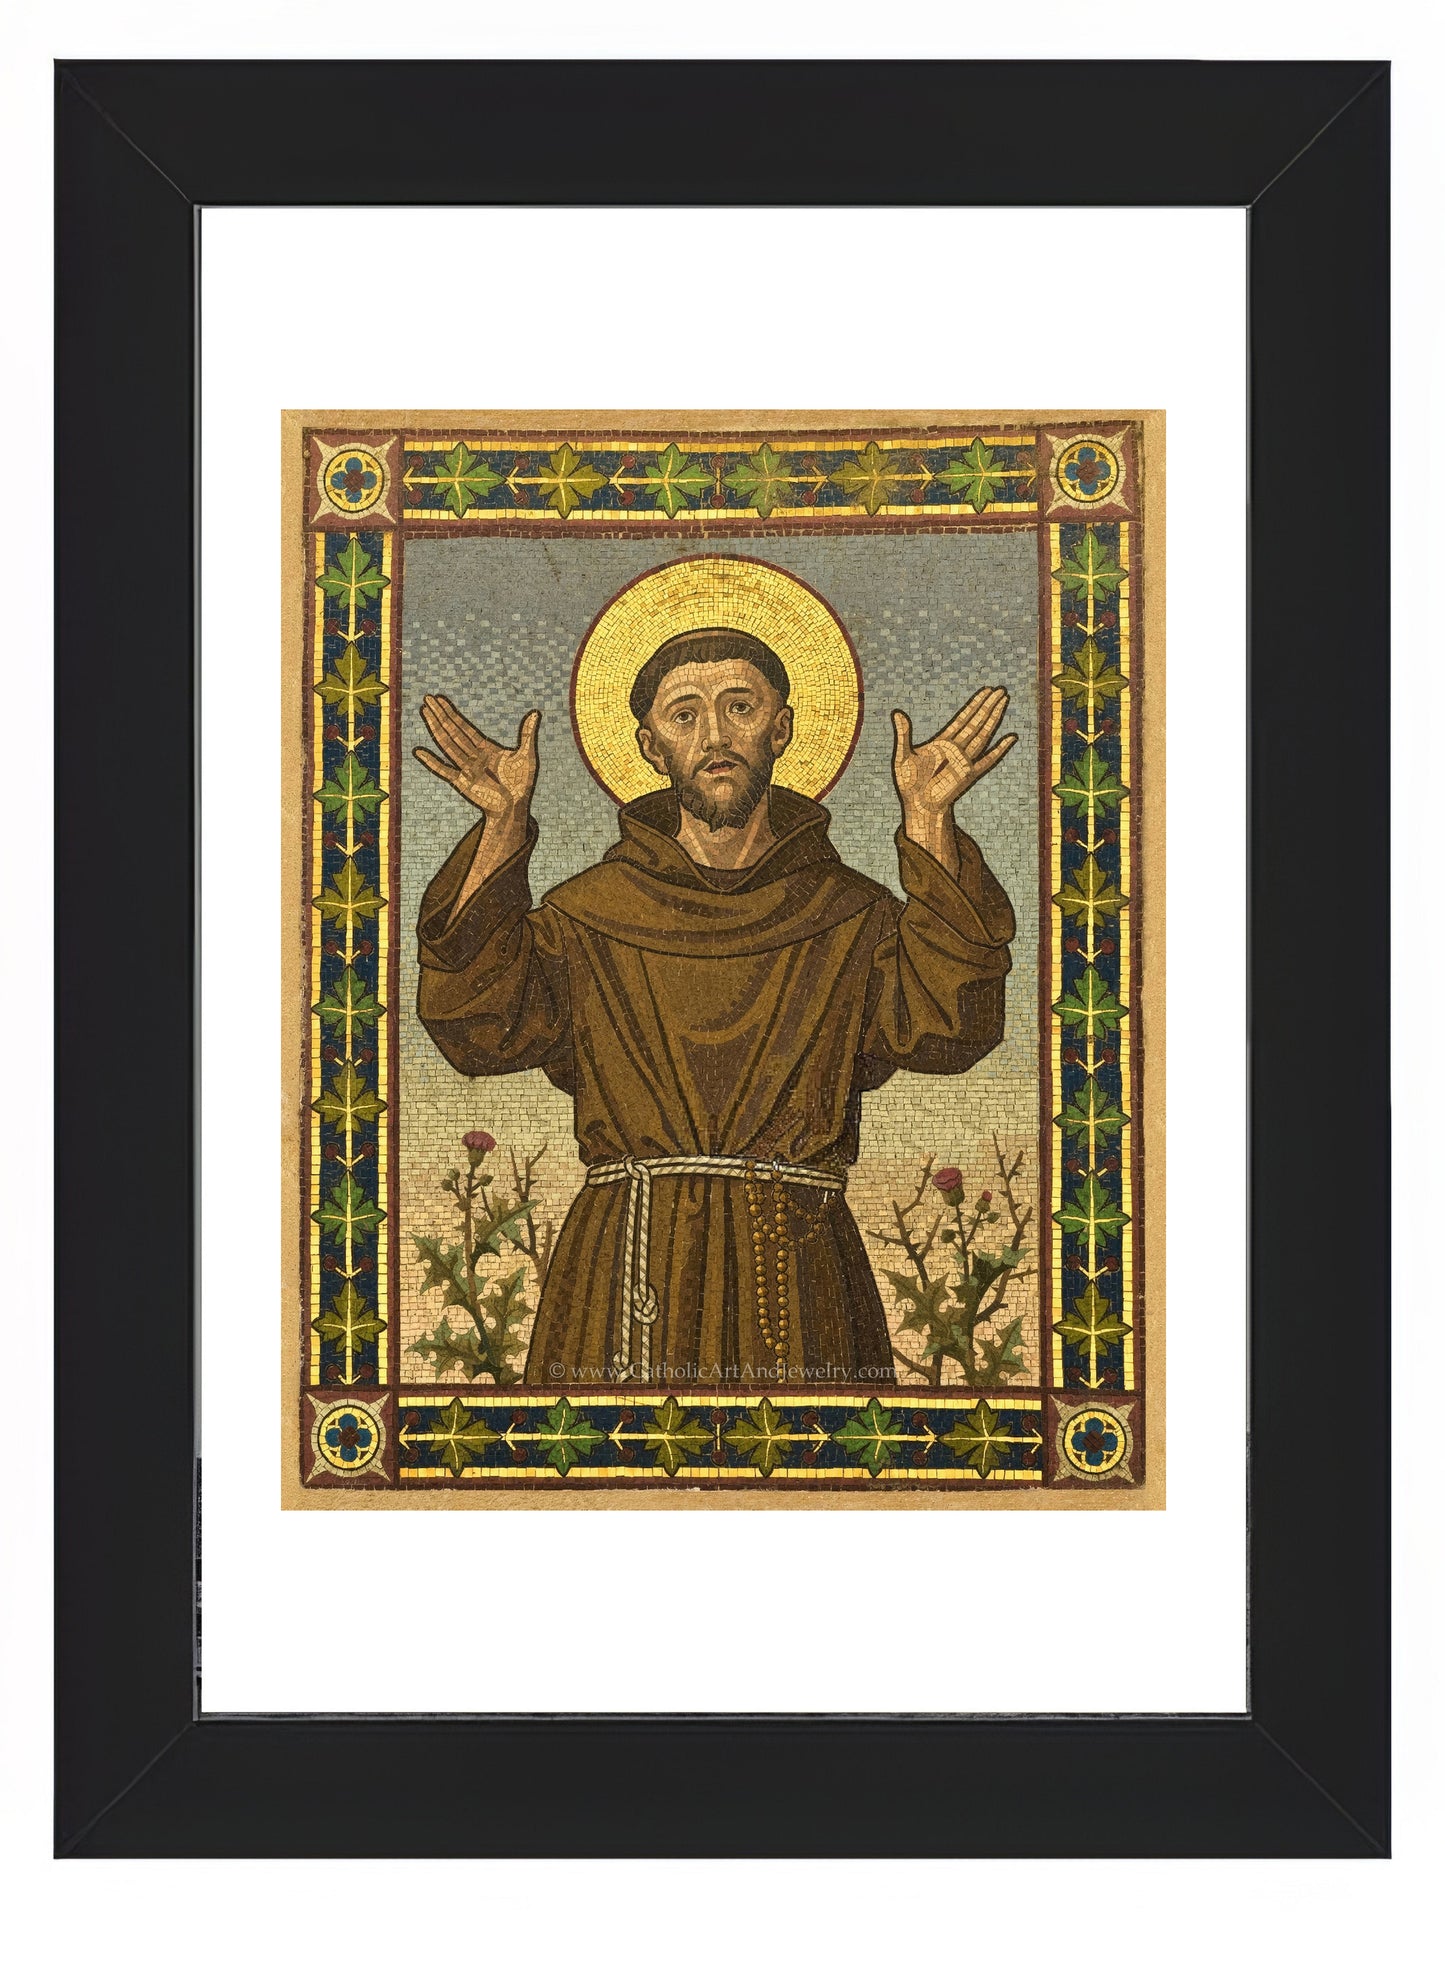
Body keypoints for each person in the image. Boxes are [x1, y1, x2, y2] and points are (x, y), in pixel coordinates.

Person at [413, 625, 1016, 1388]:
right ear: (649, 745)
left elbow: (951, 1026)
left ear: (781, 729)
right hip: (625, 1264)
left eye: (739, 706)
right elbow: (476, 1027)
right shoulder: (587, 917)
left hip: (795, 1269)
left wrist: (928, 821)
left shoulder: (849, 915)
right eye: (684, 714)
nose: (715, 735)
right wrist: (502, 826)